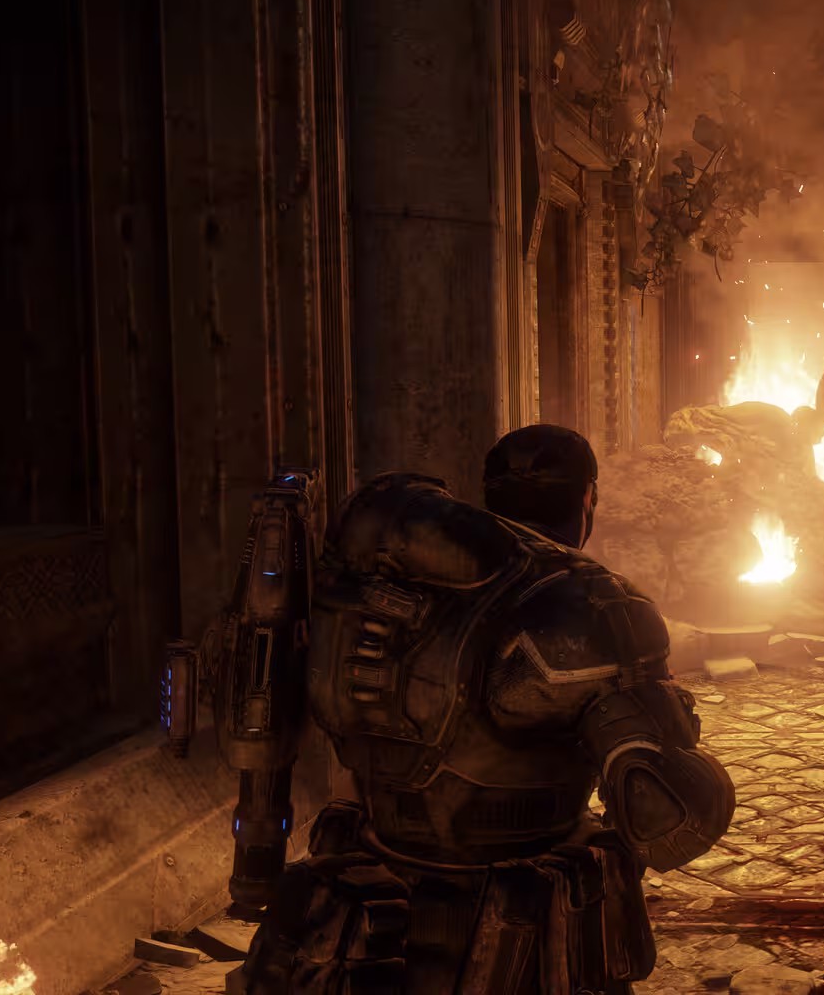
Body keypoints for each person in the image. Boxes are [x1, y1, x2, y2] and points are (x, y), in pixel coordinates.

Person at [239, 425, 735, 994]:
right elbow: (673, 820)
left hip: (373, 897)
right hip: (519, 933)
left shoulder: (379, 575)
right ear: (588, 499)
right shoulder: (593, 606)